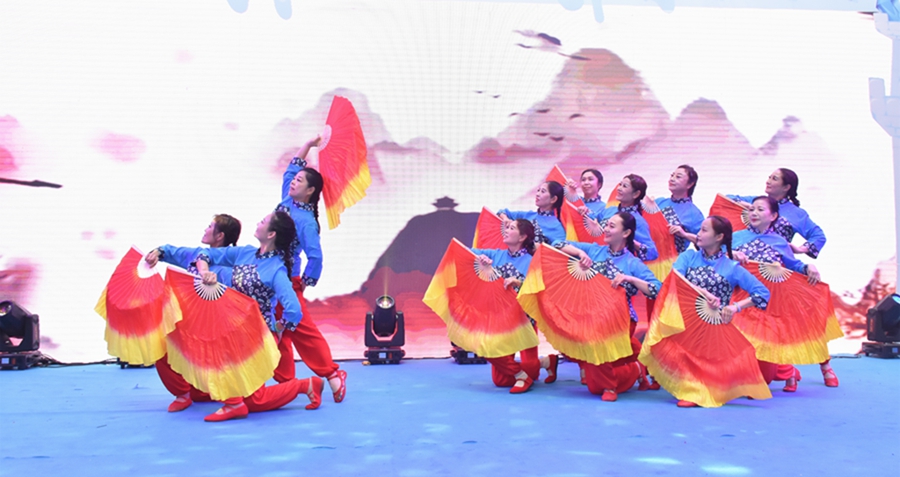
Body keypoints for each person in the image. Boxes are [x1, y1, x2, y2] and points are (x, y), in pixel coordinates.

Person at [147, 211, 323, 422]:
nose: (258, 222)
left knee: (254, 401)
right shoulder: (245, 253)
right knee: (169, 344)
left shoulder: (276, 270)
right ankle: (195, 395)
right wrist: (199, 269)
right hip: (230, 329)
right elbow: (204, 254)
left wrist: (278, 328)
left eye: (263, 221)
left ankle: (305, 385)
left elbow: (294, 310)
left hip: (253, 337)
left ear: (271, 234)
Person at [639, 216, 773, 408]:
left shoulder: (732, 267)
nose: (699, 234)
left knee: (716, 367)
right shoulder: (688, 257)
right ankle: (691, 388)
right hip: (684, 323)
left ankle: (700, 389)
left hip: (713, 328)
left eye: (704, 230)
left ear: (719, 237)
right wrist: (704, 292)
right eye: (700, 229)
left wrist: (735, 307)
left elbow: (762, 293)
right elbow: (675, 280)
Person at [727, 168, 837, 386]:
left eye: (774, 178)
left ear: (787, 187)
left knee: (796, 320)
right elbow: (728, 200)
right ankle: (781, 370)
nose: (768, 180)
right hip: (749, 272)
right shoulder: (756, 202)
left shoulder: (796, 214)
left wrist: (801, 249)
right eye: (769, 176)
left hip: (780, 272)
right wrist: (748, 207)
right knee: (751, 324)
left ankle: (824, 365)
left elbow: (818, 236)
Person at [555, 212, 662, 401]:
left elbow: (656, 289)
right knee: (590, 379)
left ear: (626, 233)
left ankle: (610, 386)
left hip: (620, 320)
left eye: (612, 226)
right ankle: (637, 365)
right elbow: (557, 244)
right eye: (606, 225)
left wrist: (630, 279)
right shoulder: (594, 251)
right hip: (591, 317)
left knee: (595, 365)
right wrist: (580, 253)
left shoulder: (632, 263)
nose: (606, 229)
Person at [274, 137, 347, 403]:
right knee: (279, 329)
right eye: (295, 179)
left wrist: (305, 281)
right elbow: (292, 168)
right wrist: (307, 146)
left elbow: (315, 256)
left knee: (301, 329)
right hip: (270, 277)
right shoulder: (287, 198)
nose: (294, 181)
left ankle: (332, 373)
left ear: (310, 191)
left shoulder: (306, 221)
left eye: (300, 181)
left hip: (286, 279)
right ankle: (286, 383)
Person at [150, 214, 242, 408]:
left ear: (220, 236)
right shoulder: (197, 255)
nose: (205, 229)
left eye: (210, 226)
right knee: (161, 346)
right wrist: (157, 252)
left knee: (211, 387)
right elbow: (170, 251)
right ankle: (182, 394)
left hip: (219, 331)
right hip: (190, 326)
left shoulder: (233, 263)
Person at [471, 219, 558, 393]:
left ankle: (529, 370)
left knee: (531, 369)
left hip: (524, 318)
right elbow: (467, 252)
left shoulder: (533, 261)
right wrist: (480, 259)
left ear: (522, 237)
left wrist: (519, 282)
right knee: (500, 379)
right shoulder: (495, 254)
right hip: (499, 317)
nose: (506, 230)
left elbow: (541, 289)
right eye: (507, 227)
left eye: (511, 228)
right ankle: (539, 366)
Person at [590, 174, 658, 262]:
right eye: (620, 184)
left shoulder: (638, 221)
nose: (619, 188)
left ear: (636, 194)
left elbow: (652, 253)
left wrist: (630, 241)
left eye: (624, 186)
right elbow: (590, 220)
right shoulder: (610, 210)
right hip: (598, 259)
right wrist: (583, 210)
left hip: (618, 264)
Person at [497, 181, 566, 246]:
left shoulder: (555, 226)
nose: (537, 194)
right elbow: (502, 212)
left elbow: (560, 249)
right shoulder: (528, 215)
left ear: (553, 199)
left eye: (543, 191)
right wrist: (505, 219)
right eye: (538, 190)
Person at [654, 165, 704, 253]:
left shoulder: (694, 213)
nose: (672, 179)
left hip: (674, 258)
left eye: (678, 177)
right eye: (672, 175)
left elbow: (706, 242)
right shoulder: (658, 202)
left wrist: (685, 234)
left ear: (690, 184)